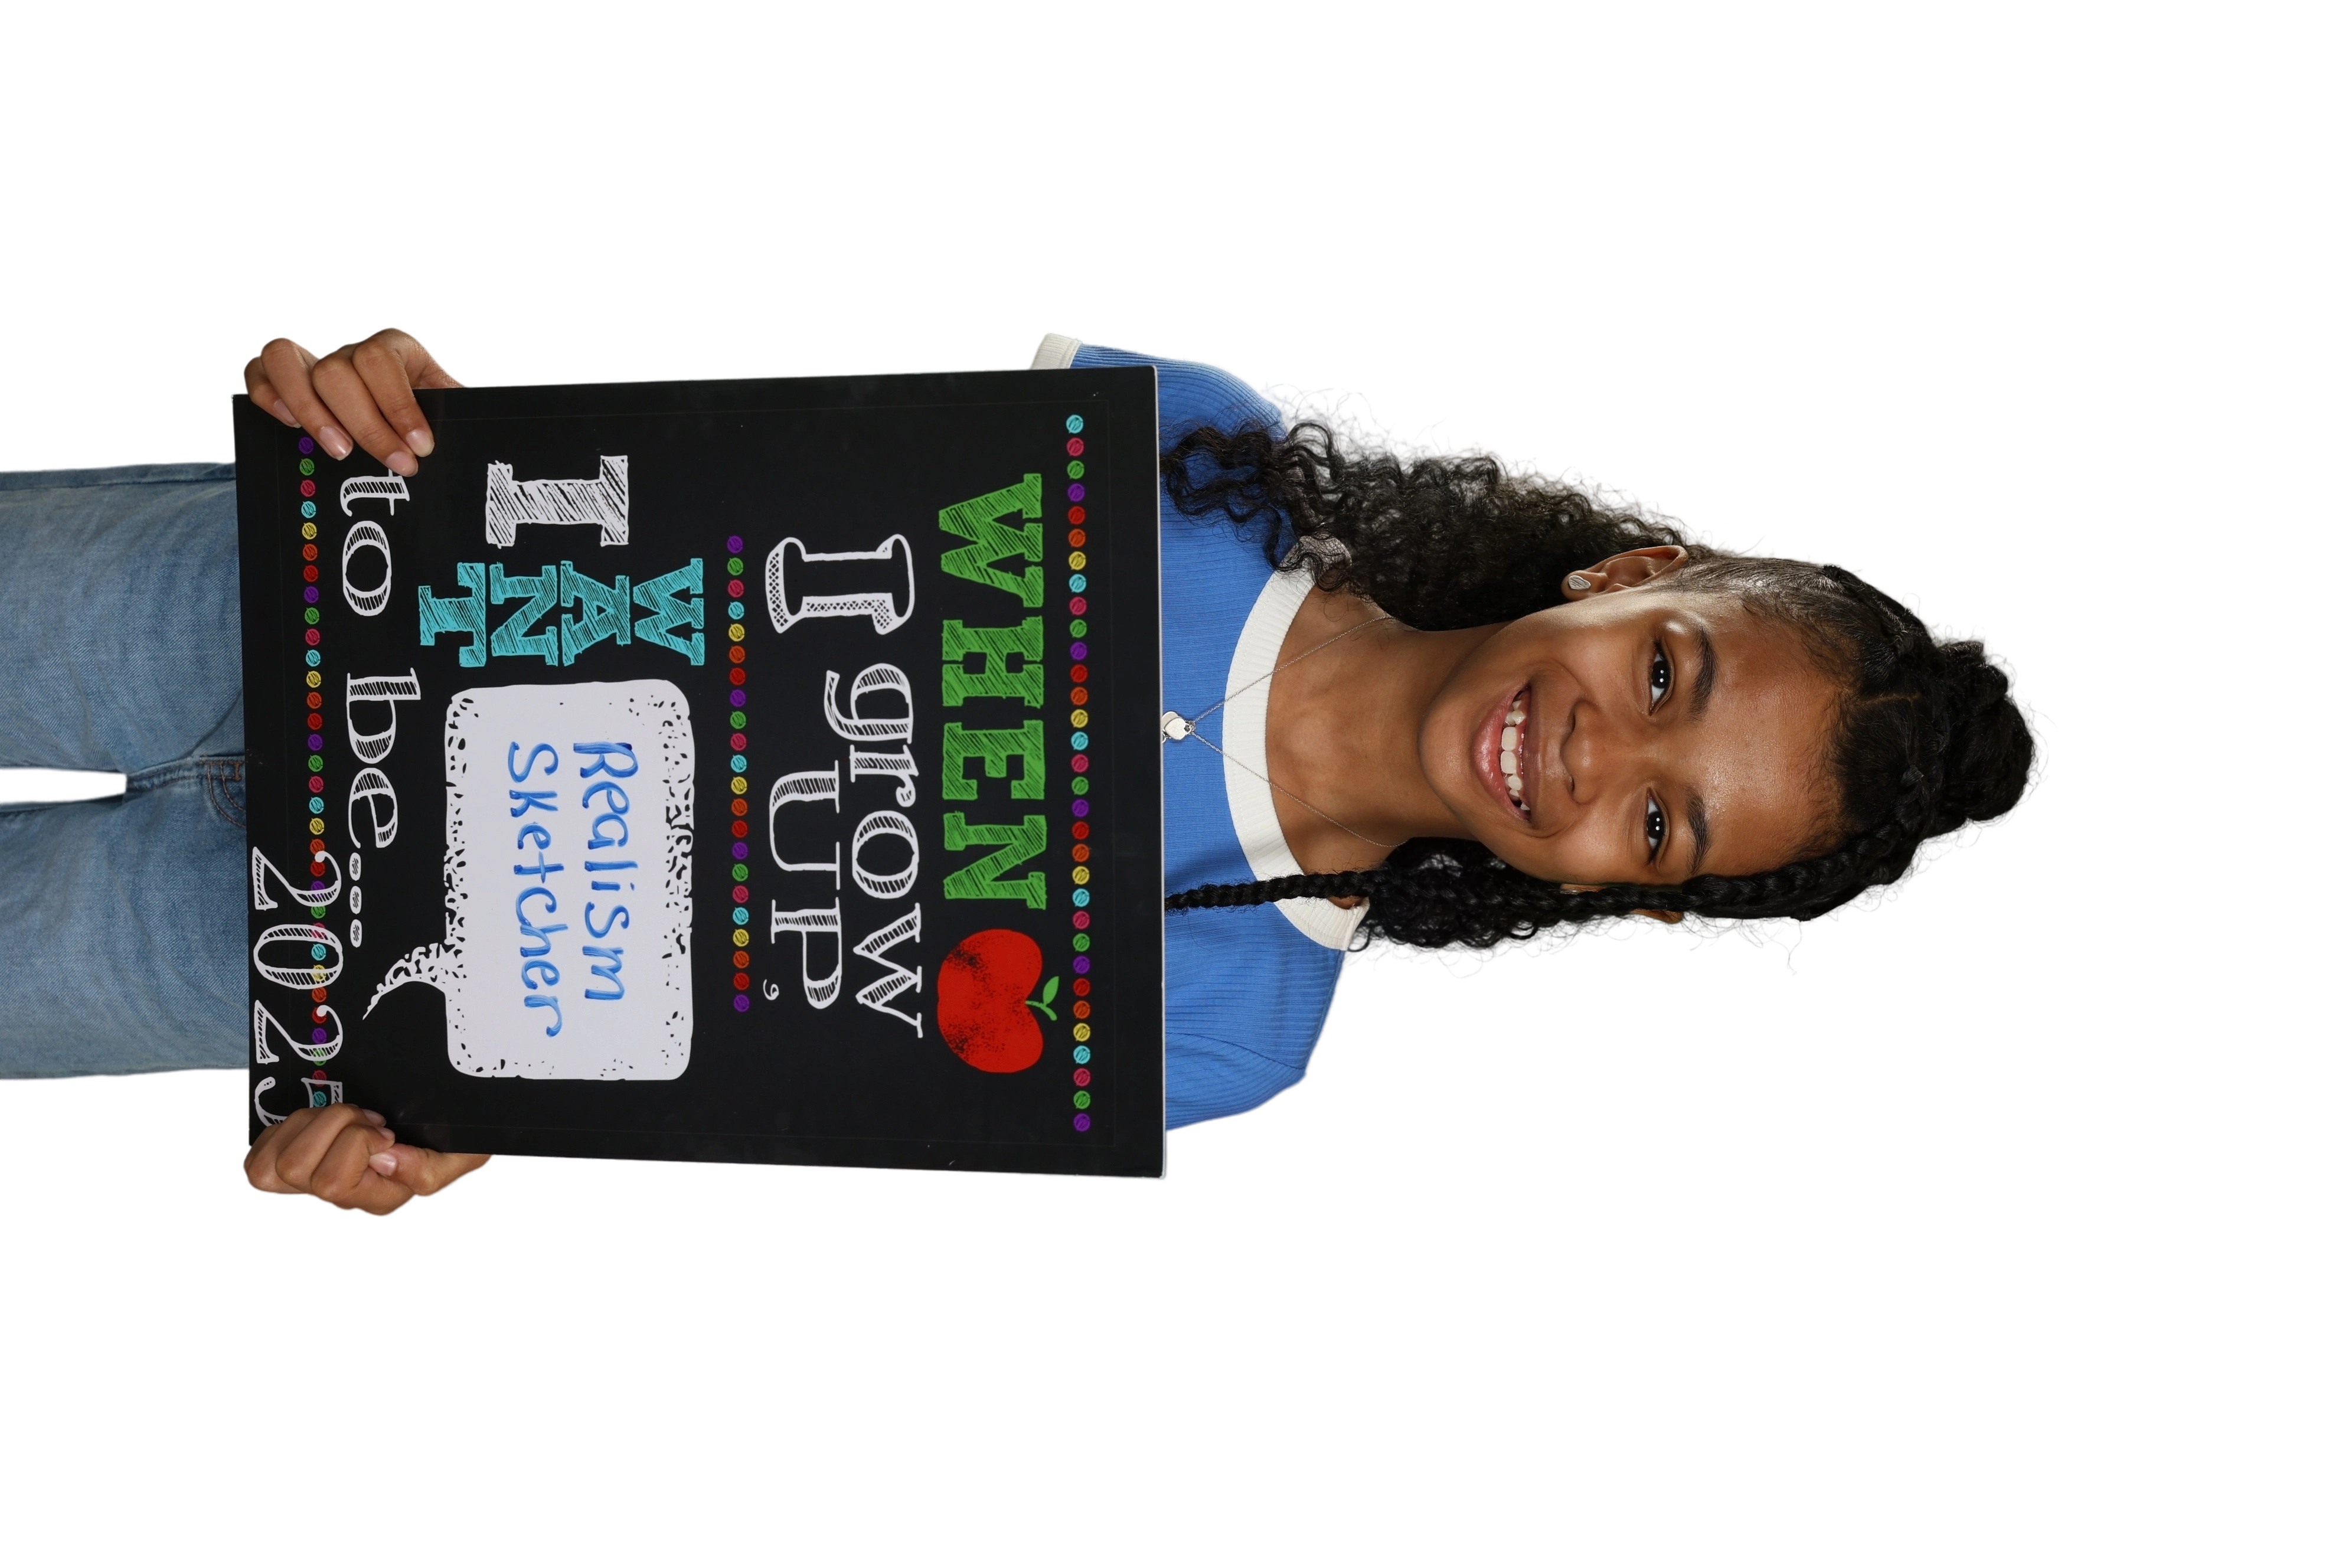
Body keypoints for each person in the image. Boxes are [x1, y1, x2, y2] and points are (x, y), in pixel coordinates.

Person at [1, 330, 2050, 1214]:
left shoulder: (1233, 1034)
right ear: (1625, 575)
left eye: (1664, 823)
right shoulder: (1191, 440)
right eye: (1669, 672)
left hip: (292, 956)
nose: (1601, 755)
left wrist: (460, 1128)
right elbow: (716, 474)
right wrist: (396, 400)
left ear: (1625, 892)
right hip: (281, 594)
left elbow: (760, 1060)